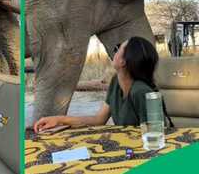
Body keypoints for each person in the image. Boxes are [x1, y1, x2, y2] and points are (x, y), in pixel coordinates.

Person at [34, 36, 172, 133]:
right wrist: (58, 120)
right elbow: (98, 120)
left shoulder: (141, 92)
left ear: (124, 61)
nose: (114, 51)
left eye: (118, 48)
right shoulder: (116, 83)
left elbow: (156, 135)